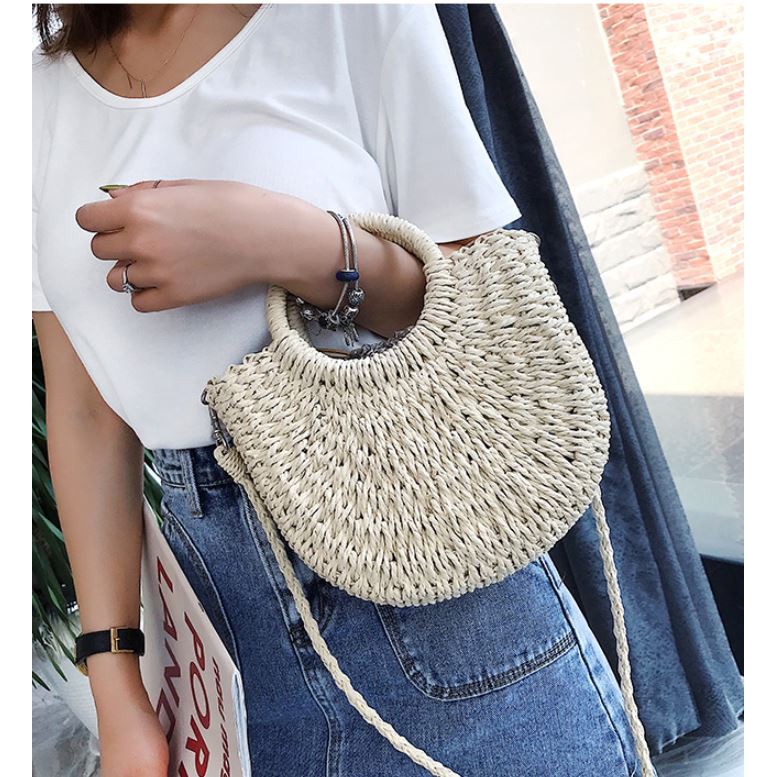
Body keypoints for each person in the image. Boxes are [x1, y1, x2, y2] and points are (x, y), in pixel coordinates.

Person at [32, 4, 642, 776]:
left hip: (434, 582)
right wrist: (119, 694)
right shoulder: (35, 101)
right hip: (227, 641)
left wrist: (288, 241)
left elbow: (473, 306)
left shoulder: (347, 12)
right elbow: (85, 412)